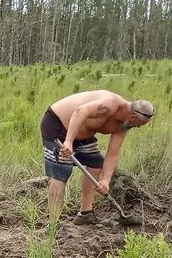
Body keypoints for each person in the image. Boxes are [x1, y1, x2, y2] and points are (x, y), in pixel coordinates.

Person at [41, 91, 154, 225]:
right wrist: (69, 141)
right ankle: (53, 225)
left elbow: (113, 154)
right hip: (58, 125)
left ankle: (85, 214)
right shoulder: (109, 104)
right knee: (61, 173)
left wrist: (105, 180)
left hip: (83, 136)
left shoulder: (123, 125)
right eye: (139, 125)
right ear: (133, 117)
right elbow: (80, 112)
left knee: (96, 163)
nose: (137, 128)